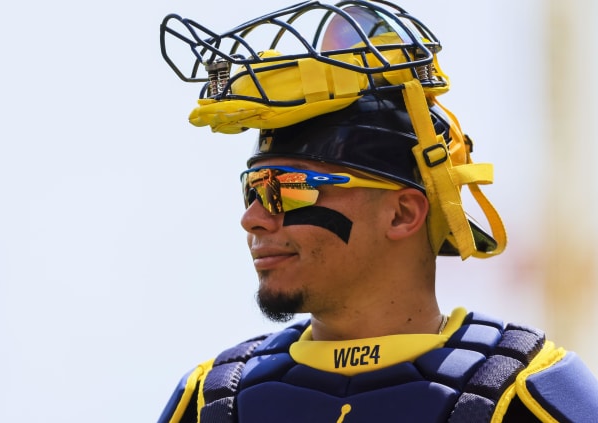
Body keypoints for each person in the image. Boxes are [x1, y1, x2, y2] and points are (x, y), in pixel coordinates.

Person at [157, 1, 598, 422]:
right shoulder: (208, 401)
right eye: (251, 190)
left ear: (403, 214)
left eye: (289, 189)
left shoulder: (530, 397)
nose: (253, 218)